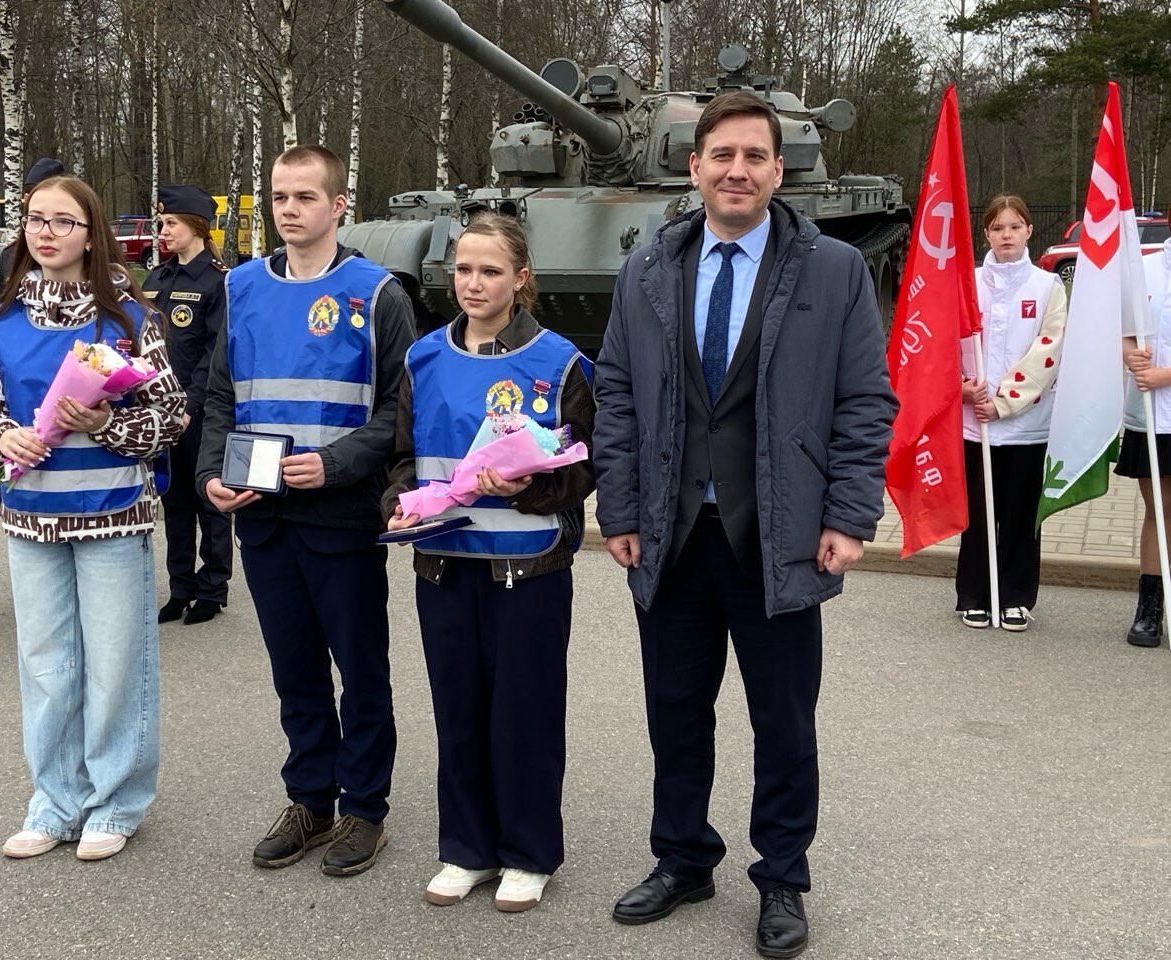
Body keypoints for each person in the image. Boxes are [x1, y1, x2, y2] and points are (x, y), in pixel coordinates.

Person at [592, 90, 896, 958]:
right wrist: (620, 508)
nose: (737, 170)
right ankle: (683, 857)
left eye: (754, 156)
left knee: (784, 722)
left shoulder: (834, 270)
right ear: (694, 168)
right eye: (721, 155)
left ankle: (783, 877)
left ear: (777, 170)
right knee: (675, 713)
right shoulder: (649, 268)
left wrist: (849, 515)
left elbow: (864, 401)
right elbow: (616, 393)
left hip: (781, 536)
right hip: (673, 534)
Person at [196, 144, 415, 875]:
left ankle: (365, 809)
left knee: (361, 671)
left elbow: (400, 411)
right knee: (295, 672)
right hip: (262, 516)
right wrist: (211, 475)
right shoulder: (241, 286)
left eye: (305, 197)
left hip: (341, 515)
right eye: (279, 197)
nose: (289, 210)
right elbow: (220, 395)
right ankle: (310, 800)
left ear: (338, 205)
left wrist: (337, 463)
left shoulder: (377, 293)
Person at [0, 175, 185, 862]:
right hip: (31, 521)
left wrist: (106, 423)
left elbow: (171, 418)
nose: (46, 232)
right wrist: (3, 437)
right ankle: (55, 802)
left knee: (116, 666)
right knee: (47, 667)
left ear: (91, 235)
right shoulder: (1, 324)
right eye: (36, 219)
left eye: (63, 221)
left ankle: (115, 802)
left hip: (111, 517)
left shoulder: (130, 322)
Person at [382, 213, 595, 912]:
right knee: (459, 710)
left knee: (525, 713)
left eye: (491, 271)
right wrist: (399, 502)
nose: (474, 283)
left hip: (528, 568)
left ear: (521, 279)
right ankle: (467, 849)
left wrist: (529, 487)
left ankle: (529, 853)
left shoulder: (560, 362)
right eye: (464, 270)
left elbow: (585, 467)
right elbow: (403, 456)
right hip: (444, 562)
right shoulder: (423, 356)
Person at [955, 196, 1066, 632]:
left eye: (1015, 227)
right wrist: (961, 387)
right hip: (974, 423)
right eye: (998, 228)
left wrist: (1002, 401)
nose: (1006, 235)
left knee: (1021, 514)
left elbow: (1048, 351)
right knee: (977, 514)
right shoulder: (967, 284)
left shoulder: (1048, 286)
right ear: (986, 233)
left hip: (1026, 424)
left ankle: (1016, 596)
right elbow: (945, 342)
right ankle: (975, 594)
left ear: (1029, 231)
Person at [142, 184, 233, 626]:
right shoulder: (156, 279)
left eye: (170, 223)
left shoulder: (217, 281)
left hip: (200, 411)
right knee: (174, 501)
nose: (162, 231)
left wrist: (189, 405)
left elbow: (216, 352)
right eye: (161, 223)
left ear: (196, 226)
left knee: (209, 500)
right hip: (160, 410)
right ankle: (180, 587)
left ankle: (212, 589)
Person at [1118, 222, 1171, 647]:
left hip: (1162, 389)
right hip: (1152, 416)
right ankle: (1150, 610)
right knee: (1158, 510)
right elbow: (1124, 331)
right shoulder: (1145, 271)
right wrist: (1131, 356)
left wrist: (1165, 375)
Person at [0, 157, 66, 299]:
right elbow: (0, 306)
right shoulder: (10, 256)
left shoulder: (85, 254)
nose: (46, 233)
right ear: (27, 199)